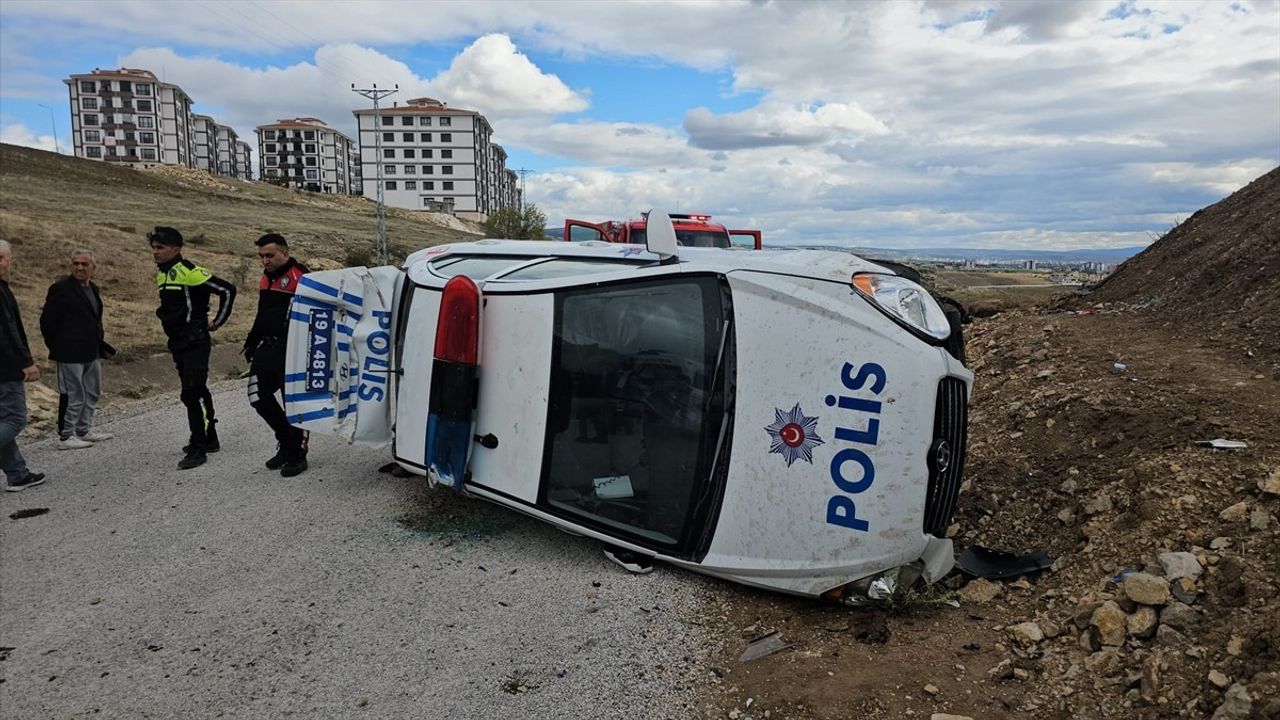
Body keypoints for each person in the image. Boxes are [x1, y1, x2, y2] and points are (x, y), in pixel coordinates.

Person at [149, 226, 236, 470]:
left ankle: (198, 448)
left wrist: (217, 322)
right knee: (197, 391)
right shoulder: (162, 273)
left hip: (196, 341)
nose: (155, 252)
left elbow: (228, 290)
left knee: (191, 392)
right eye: (153, 247)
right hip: (177, 342)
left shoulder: (189, 271)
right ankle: (210, 438)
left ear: (176, 249)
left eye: (160, 247)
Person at [242, 233, 310, 477]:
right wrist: (251, 342)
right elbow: (262, 314)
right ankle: (286, 442)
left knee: (292, 403)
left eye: (269, 255)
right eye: (261, 256)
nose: (265, 260)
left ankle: (297, 453)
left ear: (285, 253)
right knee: (257, 396)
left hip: (292, 350)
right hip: (267, 348)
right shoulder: (265, 279)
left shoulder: (301, 276)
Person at [40, 248, 114, 450]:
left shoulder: (94, 288)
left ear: (94, 268)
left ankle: (84, 430)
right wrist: (57, 347)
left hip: (92, 350)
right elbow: (47, 322)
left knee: (92, 392)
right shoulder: (61, 289)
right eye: (76, 263)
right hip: (69, 353)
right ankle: (66, 436)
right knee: (73, 394)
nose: (79, 267)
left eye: (84, 264)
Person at [0, 240, 46, 491]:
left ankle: (17, 474)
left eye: (2, 258)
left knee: (3, 418)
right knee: (15, 419)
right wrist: (25, 362)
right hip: (5, 368)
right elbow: (7, 332)